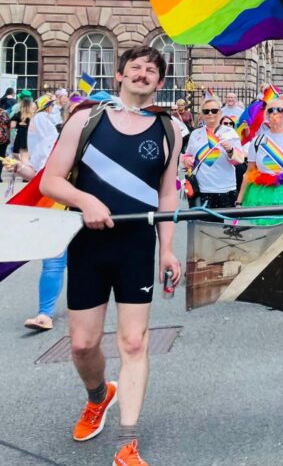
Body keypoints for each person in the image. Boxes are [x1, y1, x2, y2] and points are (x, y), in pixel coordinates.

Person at [39, 46, 183, 466]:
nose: (143, 73)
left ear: (159, 83)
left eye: (152, 70)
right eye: (135, 67)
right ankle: (99, 396)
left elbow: (168, 193)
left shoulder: (169, 129)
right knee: (83, 345)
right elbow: (50, 181)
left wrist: (168, 249)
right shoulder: (86, 119)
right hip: (87, 243)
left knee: (134, 342)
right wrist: (85, 200)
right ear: (119, 76)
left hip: (137, 244)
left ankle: (128, 441)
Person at [14, 94, 65, 332]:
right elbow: (36, 172)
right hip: (54, 208)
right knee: (53, 262)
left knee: (90, 263)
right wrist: (19, 167)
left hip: (86, 210)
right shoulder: (50, 142)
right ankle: (45, 314)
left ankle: (91, 311)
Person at [182, 95, 244, 210]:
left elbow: (239, 159)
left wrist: (230, 150)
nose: (210, 114)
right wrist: (186, 160)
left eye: (214, 111)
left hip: (225, 189)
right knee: (202, 227)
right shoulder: (196, 134)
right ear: (202, 115)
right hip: (201, 189)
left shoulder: (230, 133)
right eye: (206, 111)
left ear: (220, 113)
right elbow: (187, 155)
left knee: (223, 227)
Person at [10, 90, 34, 162]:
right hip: (30, 136)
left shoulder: (17, 114)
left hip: (20, 136)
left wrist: (20, 124)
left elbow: (12, 126)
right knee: (26, 156)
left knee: (16, 154)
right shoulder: (34, 115)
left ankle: (23, 168)